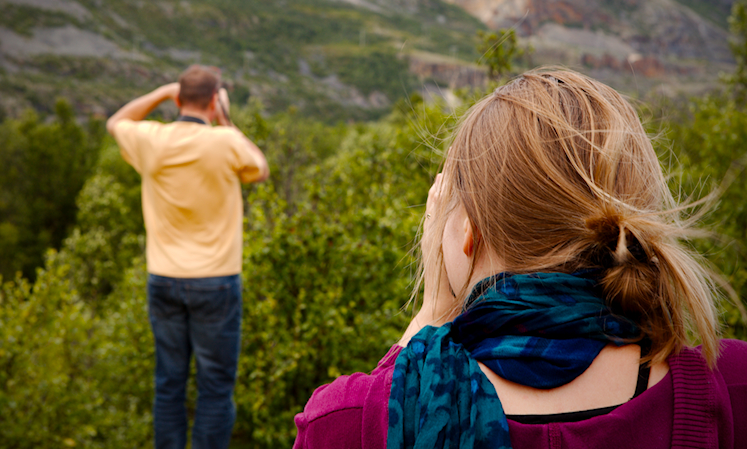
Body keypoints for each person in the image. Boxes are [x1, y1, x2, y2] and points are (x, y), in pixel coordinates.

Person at [293, 68, 747, 449]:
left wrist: (429, 313)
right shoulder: (732, 387)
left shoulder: (340, 423)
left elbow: (378, 415)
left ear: (468, 232)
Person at [107, 65, 269, 449]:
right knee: (215, 388)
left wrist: (163, 93)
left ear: (179, 98)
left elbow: (116, 122)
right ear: (214, 100)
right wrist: (226, 119)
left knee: (169, 384)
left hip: (163, 278)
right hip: (216, 281)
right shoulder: (224, 142)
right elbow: (260, 168)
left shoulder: (152, 140)